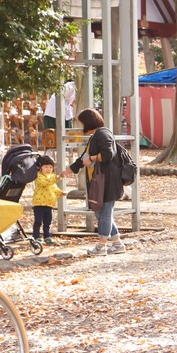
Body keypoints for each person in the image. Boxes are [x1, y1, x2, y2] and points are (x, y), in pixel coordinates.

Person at [64, 109, 126, 256]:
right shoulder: (95, 136)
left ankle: (101, 246)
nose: (82, 126)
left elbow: (108, 154)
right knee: (100, 213)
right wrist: (69, 170)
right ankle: (117, 243)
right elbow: (84, 157)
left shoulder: (103, 134)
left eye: (83, 122)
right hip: (99, 181)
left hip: (108, 181)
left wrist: (91, 159)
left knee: (104, 213)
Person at [31, 155, 65, 245]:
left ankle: (47, 236)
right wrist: (56, 178)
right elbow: (44, 183)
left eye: (50, 167)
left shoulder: (52, 177)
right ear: (40, 168)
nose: (48, 169)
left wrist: (60, 192)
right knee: (38, 221)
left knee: (48, 222)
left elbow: (54, 189)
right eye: (46, 167)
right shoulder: (39, 176)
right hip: (39, 203)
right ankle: (36, 236)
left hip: (49, 204)